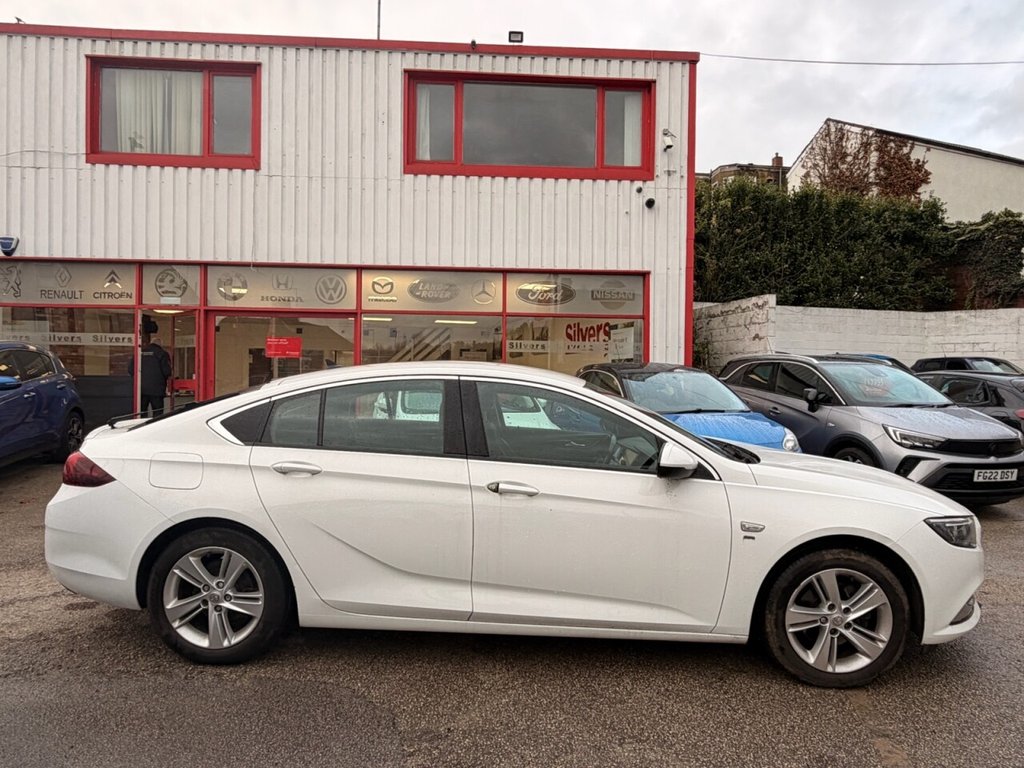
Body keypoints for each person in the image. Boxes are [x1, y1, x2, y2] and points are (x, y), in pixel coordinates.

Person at [139, 332, 172, 416]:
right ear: (160, 345)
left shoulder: (140, 352)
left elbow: (131, 369)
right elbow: (167, 371)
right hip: (157, 390)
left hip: (141, 389)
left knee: (141, 412)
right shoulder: (162, 353)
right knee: (158, 413)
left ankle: (142, 424)